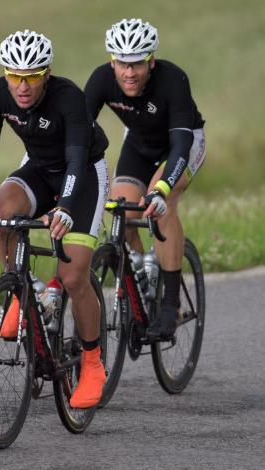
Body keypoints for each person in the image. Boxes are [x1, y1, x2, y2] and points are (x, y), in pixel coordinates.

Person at [0, 29, 110, 408]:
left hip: (83, 174)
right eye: (14, 75)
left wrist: (63, 206)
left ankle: (93, 363)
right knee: (1, 213)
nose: (22, 85)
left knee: (74, 275)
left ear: (47, 73)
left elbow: (77, 159)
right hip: (39, 168)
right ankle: (24, 291)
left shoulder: (68, 98)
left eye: (32, 75)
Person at [85, 19, 206, 340]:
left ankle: (170, 304)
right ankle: (140, 273)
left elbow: (181, 143)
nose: (129, 72)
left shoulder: (172, 79)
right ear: (112, 62)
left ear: (151, 61)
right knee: (121, 209)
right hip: (138, 145)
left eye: (137, 62)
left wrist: (162, 190)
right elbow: (78, 133)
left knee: (159, 202)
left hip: (182, 145)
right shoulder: (101, 79)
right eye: (122, 63)